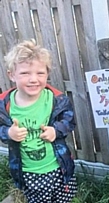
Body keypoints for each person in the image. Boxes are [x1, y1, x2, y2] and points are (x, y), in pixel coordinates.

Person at [0, 39, 77, 203]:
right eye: (25, 73)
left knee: (65, 199)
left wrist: (56, 130)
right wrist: (8, 132)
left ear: (47, 73)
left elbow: (69, 120)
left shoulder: (56, 100)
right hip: (29, 172)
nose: (33, 79)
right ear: (12, 75)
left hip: (60, 168)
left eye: (40, 73)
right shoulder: (4, 104)